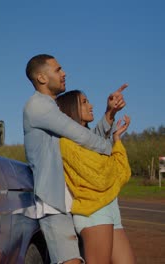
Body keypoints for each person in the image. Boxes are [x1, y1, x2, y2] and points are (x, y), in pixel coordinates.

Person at [22, 54, 126, 264]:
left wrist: (109, 115)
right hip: (55, 204)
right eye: (58, 69)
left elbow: (80, 141)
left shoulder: (53, 108)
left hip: (75, 200)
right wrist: (111, 150)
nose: (64, 73)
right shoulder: (37, 106)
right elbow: (79, 135)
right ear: (42, 78)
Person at [57, 90, 136, 264]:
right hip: (94, 211)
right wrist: (114, 161)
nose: (91, 105)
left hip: (111, 208)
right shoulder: (67, 143)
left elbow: (120, 172)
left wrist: (116, 139)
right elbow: (101, 178)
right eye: (84, 102)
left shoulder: (87, 140)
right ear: (71, 109)